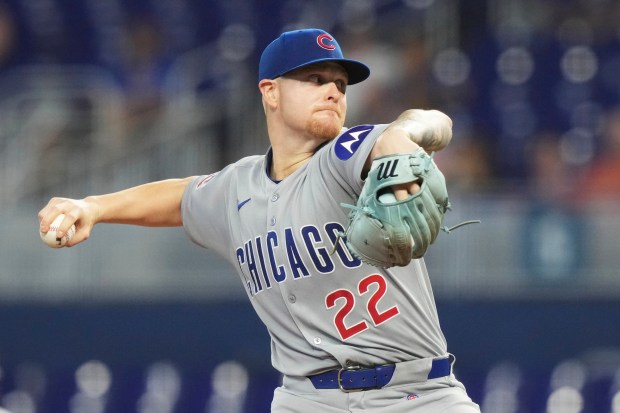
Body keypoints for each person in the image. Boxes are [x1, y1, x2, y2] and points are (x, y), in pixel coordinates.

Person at [39, 28, 480, 412]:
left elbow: (401, 134)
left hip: (417, 394)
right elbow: (178, 198)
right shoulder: (237, 188)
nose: (333, 91)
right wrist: (94, 206)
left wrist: (405, 142)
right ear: (270, 91)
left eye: (341, 85)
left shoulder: (343, 156)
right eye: (315, 79)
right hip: (307, 399)